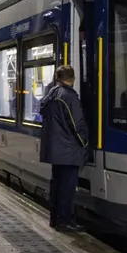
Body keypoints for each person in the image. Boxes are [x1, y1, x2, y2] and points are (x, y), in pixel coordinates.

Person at [39, 65, 90, 233]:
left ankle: (55, 219)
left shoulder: (51, 94)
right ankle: (65, 221)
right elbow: (77, 124)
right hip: (68, 150)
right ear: (73, 78)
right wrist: (84, 143)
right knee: (67, 188)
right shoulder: (69, 96)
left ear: (58, 78)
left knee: (57, 185)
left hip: (56, 150)